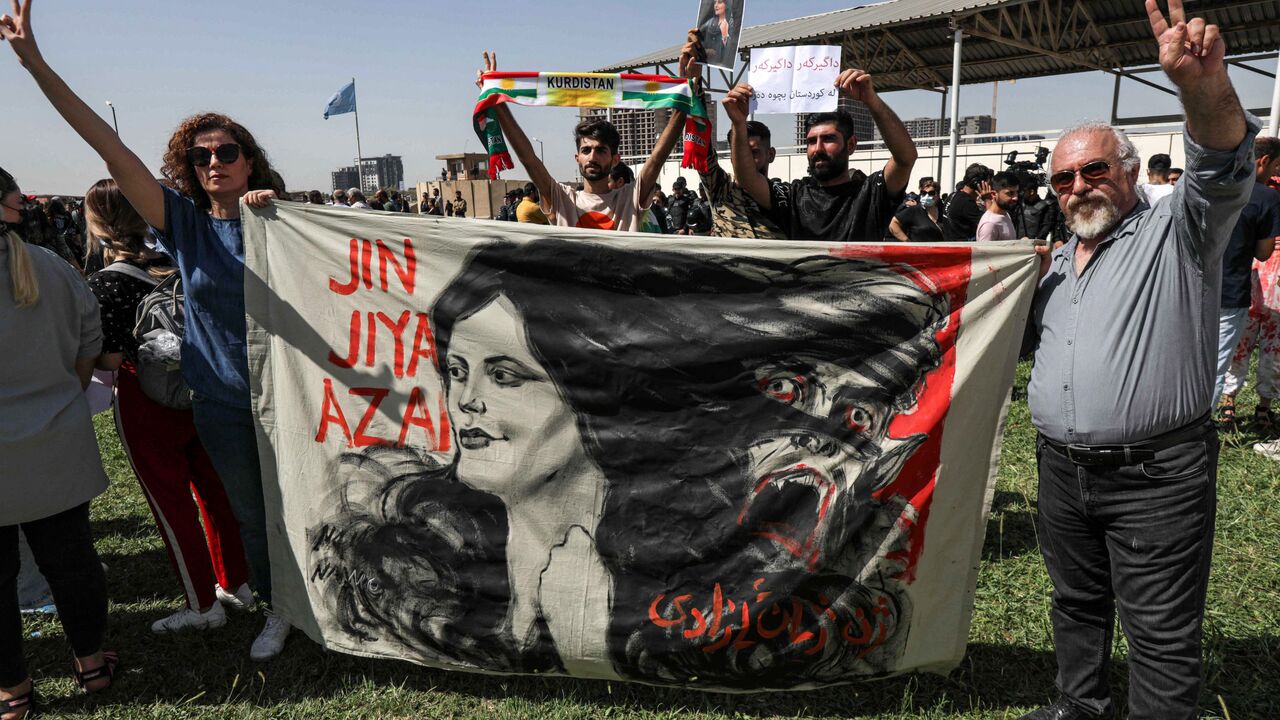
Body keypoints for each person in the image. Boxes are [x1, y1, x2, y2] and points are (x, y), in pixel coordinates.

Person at [311, 239, 949, 687]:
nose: (467, 402)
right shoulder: (403, 558)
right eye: (456, 371)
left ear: (590, 395)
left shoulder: (694, 571)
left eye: (506, 375)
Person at [3, 0, 292, 661]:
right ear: (189, 169)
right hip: (221, 398)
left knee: (303, 508)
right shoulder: (185, 227)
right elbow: (107, 146)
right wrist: (35, 65)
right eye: (202, 155)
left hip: (295, 397)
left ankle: (322, 601)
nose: (216, 162)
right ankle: (278, 607)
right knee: (251, 515)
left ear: (250, 161)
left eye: (229, 152)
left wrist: (284, 212)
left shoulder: (287, 222)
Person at [1021, 1, 1257, 717]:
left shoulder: (1179, 233)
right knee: (1077, 602)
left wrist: (1198, 85)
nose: (1077, 187)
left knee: (1158, 629)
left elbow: (1219, 161)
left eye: (1092, 170)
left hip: (1155, 475)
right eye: (1062, 179)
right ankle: (1079, 706)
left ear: (1128, 172)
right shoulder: (1057, 260)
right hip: (1062, 470)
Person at [83, 179, 254, 635]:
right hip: (202, 383)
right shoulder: (175, 259)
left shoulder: (106, 283)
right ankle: (236, 580)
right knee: (214, 490)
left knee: (171, 504)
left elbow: (112, 358)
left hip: (145, 399)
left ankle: (201, 605)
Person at [0, 166, 115, 719]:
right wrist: (56, 395)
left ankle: (11, 690)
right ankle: (91, 663)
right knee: (73, 564)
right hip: (56, 440)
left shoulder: (43, 266)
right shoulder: (50, 267)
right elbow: (88, 344)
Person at [475, 34, 699, 231]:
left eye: (601, 150)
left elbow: (658, 158)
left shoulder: (630, 199)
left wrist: (682, 93)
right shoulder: (562, 199)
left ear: (615, 160)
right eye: (586, 150)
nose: (592, 156)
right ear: (577, 158)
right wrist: (497, 97)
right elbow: (528, 159)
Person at [722, 69, 916, 242]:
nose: (818, 149)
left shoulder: (871, 194)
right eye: (811, 141)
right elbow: (748, 179)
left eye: (829, 139)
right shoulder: (793, 197)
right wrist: (738, 124)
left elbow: (905, 158)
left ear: (850, 145)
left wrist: (871, 99)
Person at [1217, 135, 1280, 423]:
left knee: (1273, 345)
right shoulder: (1264, 194)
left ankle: (1264, 405)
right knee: (1238, 344)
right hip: (1250, 275)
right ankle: (1227, 401)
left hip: (1261, 279)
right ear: (1264, 162)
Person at [697, 116, 787, 239]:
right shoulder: (721, 188)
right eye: (740, 153)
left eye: (754, 152)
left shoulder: (784, 197)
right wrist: (696, 99)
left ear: (770, 155)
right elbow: (701, 146)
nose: (746, 159)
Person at [943, 164, 992, 241]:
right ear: (977, 183)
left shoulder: (953, 195)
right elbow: (991, 224)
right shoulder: (967, 203)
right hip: (962, 249)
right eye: (987, 183)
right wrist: (987, 199)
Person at [889, 177, 945, 242]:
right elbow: (893, 224)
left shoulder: (943, 211)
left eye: (931, 193)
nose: (926, 196)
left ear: (938, 195)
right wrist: (907, 241)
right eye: (923, 193)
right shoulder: (913, 211)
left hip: (939, 250)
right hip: (918, 250)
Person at [976, 171, 1020, 242]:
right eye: (1010, 193)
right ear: (994, 194)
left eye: (1016, 192)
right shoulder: (989, 225)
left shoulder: (1005, 214)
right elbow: (985, 252)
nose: (1015, 198)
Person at [698, 0, 737, 68]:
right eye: (715, 2)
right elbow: (698, 35)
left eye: (719, 2)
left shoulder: (731, 24)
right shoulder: (710, 22)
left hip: (722, 63)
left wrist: (725, 34)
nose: (716, 5)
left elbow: (731, 49)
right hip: (708, 61)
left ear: (727, 5)